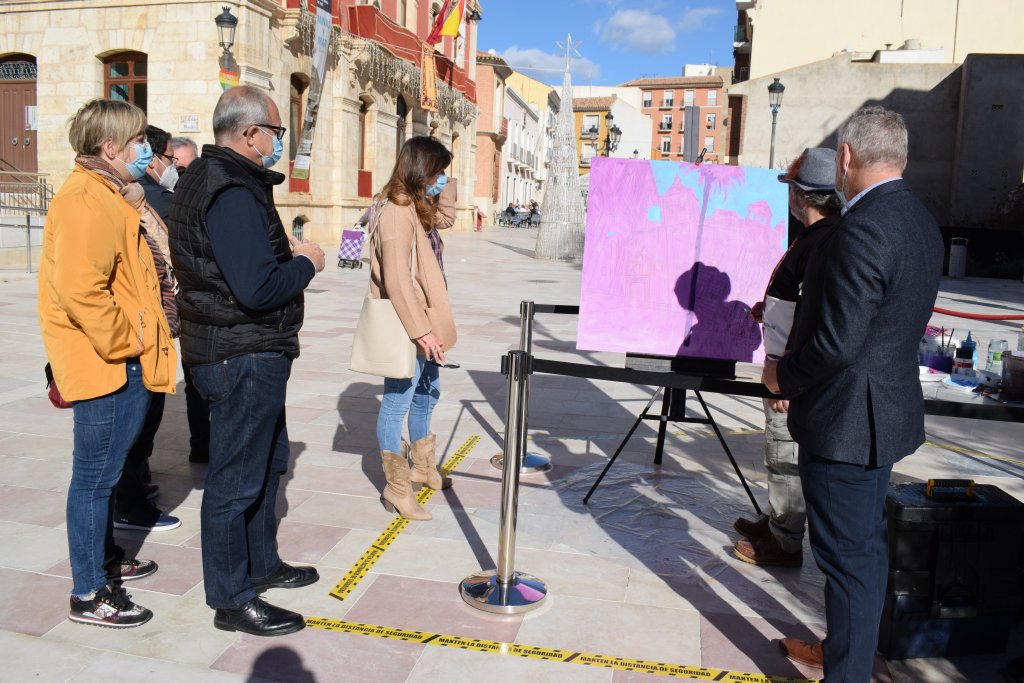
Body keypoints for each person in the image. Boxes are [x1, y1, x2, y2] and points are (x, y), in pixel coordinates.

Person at [762, 107, 944, 681]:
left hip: (846, 421)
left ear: (846, 158)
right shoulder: (917, 217)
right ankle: (843, 653)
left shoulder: (862, 227)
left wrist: (782, 376)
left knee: (849, 561)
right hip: (878, 412)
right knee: (859, 551)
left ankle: (846, 673)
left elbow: (836, 343)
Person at [168, 85, 326, 637]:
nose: (279, 142)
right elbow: (258, 286)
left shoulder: (220, 178)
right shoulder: (230, 188)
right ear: (250, 132)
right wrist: (306, 263)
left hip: (248, 348)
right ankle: (232, 598)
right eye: (277, 133)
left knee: (268, 460)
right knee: (235, 478)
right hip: (241, 352)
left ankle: (262, 564)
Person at [38, 98, 178, 628]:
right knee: (94, 480)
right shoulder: (85, 200)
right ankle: (88, 592)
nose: (148, 150)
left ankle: (104, 560)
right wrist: (128, 342)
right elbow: (81, 288)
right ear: (110, 148)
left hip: (120, 358)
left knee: (108, 473)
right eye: (139, 141)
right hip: (107, 362)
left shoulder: (109, 194)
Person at [732, 148, 841, 567]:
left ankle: (785, 541)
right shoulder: (815, 237)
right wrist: (770, 310)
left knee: (785, 454)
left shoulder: (825, 241)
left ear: (804, 195)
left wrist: (791, 380)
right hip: (782, 367)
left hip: (789, 375)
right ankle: (778, 520)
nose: (789, 197)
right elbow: (797, 301)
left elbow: (817, 317)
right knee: (777, 451)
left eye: (792, 188)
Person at [370, 136, 458, 521]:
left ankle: (423, 468)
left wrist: (448, 181)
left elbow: (447, 218)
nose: (442, 180)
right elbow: (397, 279)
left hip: (424, 320)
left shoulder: (416, 207)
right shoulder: (395, 211)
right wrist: (422, 332)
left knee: (427, 391)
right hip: (408, 325)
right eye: (438, 172)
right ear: (422, 171)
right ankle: (397, 488)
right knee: (397, 401)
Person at [138, 124, 175, 216]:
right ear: (151, 159)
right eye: (170, 158)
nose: (175, 164)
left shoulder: (127, 185)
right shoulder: (160, 199)